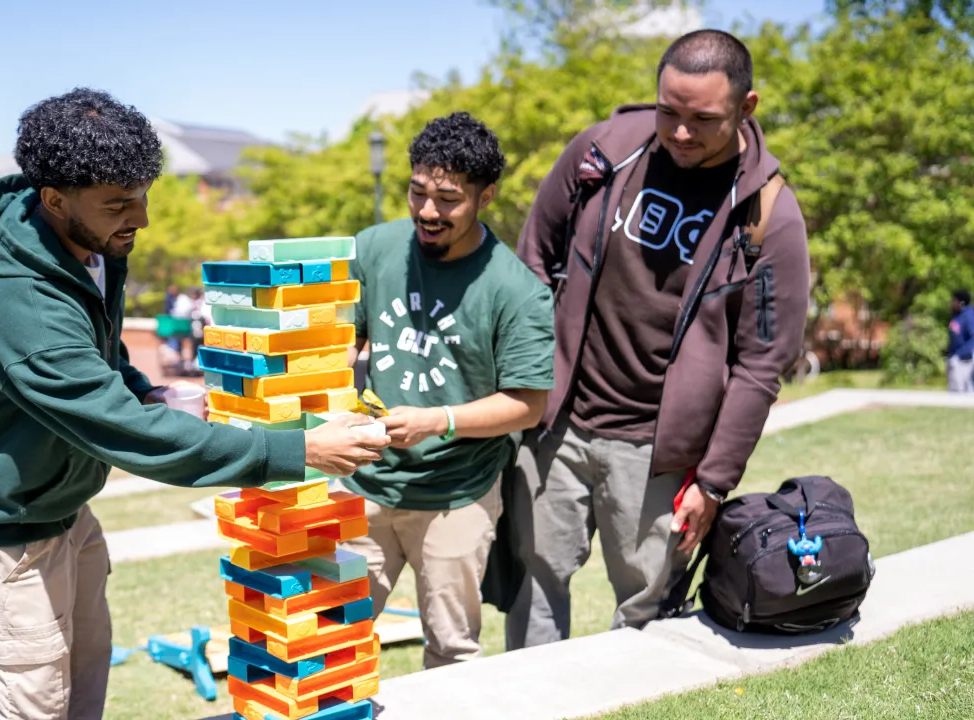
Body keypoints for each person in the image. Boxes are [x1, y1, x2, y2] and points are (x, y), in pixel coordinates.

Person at [0, 87, 390, 720]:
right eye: (117, 204)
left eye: (143, 196)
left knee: (81, 684)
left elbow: (100, 354)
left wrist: (147, 389)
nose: (139, 218)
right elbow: (134, 436)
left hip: (61, 505)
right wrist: (300, 449)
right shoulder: (20, 305)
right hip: (2, 525)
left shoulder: (87, 248)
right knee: (29, 703)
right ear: (54, 199)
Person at [509, 29, 810, 649]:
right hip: (559, 426)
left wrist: (713, 481)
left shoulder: (769, 216)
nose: (679, 132)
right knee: (533, 588)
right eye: (668, 111)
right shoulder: (604, 150)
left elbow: (761, 365)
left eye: (702, 119)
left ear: (746, 107)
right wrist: (528, 387)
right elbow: (533, 262)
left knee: (645, 618)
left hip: (659, 456)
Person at [341, 112, 556, 669]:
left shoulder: (516, 290)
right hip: (366, 482)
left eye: (448, 199)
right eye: (417, 193)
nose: (428, 212)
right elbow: (344, 341)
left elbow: (528, 406)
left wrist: (437, 421)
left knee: (452, 651)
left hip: (455, 495)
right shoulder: (374, 248)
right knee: (330, 641)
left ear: (485, 198)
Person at [949, 289, 974, 393]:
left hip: (964, 359)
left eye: (954, 300)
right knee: (954, 389)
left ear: (961, 303)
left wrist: (959, 355)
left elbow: (972, 338)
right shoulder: (957, 315)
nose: (952, 303)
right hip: (955, 357)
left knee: (959, 391)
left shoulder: (968, 316)